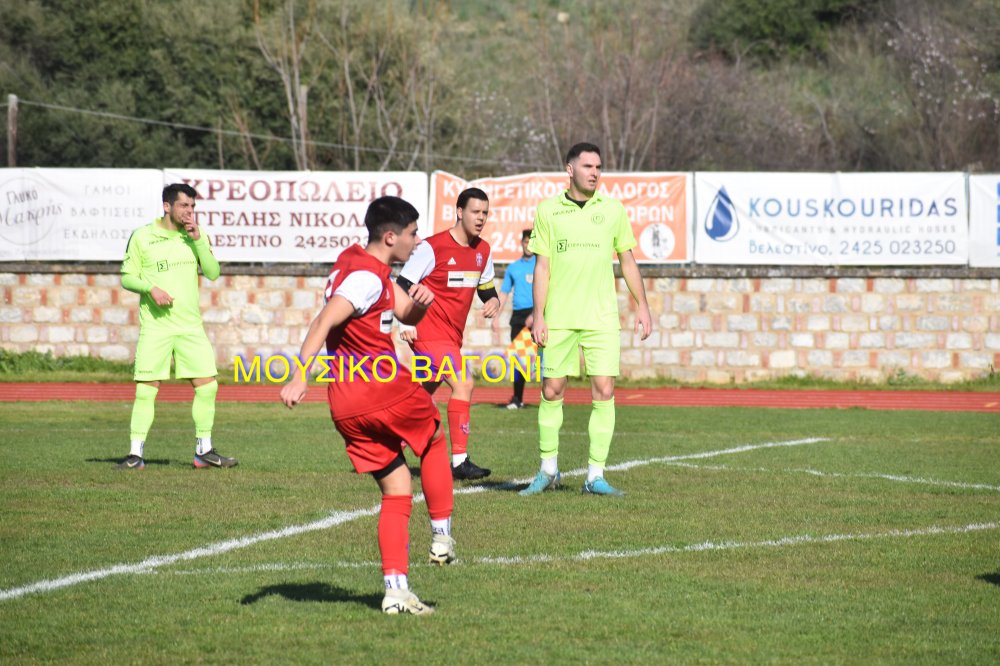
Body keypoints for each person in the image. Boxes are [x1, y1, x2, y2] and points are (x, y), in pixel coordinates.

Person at [280, 196, 454, 616]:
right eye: (413, 234)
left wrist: (419, 304)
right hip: (380, 386)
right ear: (391, 236)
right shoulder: (365, 277)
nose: (417, 242)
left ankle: (395, 590)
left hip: (345, 405)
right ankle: (443, 534)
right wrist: (299, 372)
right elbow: (324, 320)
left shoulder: (357, 263)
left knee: (396, 490)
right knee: (433, 435)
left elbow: (402, 313)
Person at [520, 142, 653, 497]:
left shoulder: (612, 210)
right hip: (559, 317)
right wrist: (539, 315)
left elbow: (627, 261)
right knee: (552, 390)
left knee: (605, 390)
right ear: (570, 169)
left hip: (601, 318)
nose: (595, 172)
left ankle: (595, 476)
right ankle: (548, 470)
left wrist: (642, 305)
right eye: (588, 166)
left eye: (599, 167)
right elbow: (542, 266)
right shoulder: (548, 210)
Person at [116, 183, 236, 470]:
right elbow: (127, 277)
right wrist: (150, 289)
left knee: (207, 387)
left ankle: (204, 451)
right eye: (184, 206)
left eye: (193, 207)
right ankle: (135, 454)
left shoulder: (195, 235)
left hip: (190, 327)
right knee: (147, 390)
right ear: (167, 206)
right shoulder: (143, 236)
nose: (189, 212)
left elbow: (212, 272)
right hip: (156, 327)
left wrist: (197, 240)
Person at [396, 187, 500, 480]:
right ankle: (459, 460)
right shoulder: (432, 248)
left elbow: (486, 288)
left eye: (485, 213)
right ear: (459, 212)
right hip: (428, 332)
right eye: (475, 212)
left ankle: (391, 443)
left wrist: (493, 300)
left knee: (421, 394)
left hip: (452, 335)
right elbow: (402, 284)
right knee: (464, 384)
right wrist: (406, 324)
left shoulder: (483, 250)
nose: (480, 218)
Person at [492, 228, 536, 409]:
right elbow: (503, 294)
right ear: (522, 243)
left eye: (531, 242)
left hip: (537, 314)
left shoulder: (541, 264)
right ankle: (518, 399)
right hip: (518, 317)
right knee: (519, 359)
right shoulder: (514, 268)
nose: (528, 245)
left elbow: (550, 292)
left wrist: (535, 315)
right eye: (526, 242)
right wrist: (496, 317)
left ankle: (552, 398)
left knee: (537, 359)